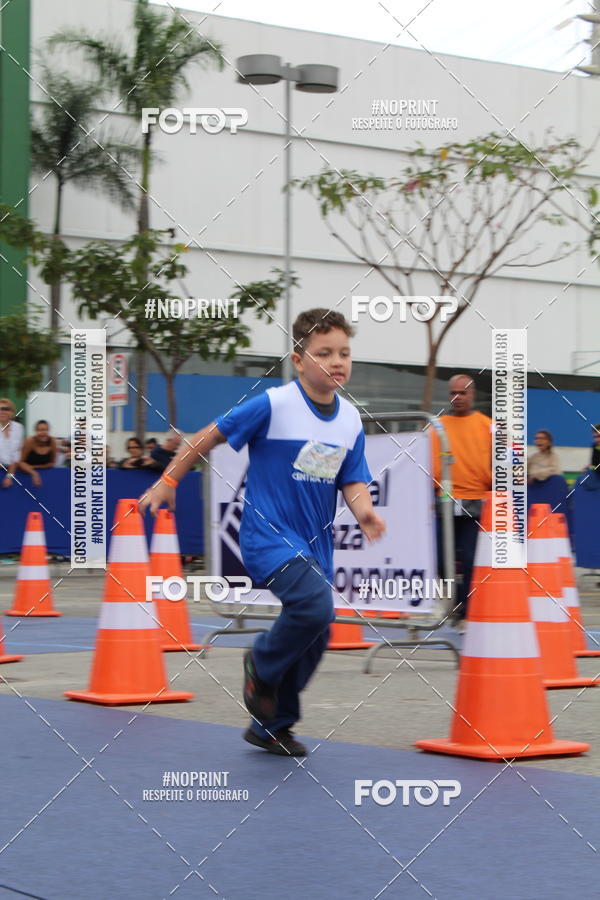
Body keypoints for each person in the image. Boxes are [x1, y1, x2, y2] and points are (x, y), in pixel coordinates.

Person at [139, 308, 386, 757]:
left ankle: (272, 725)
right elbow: (206, 437)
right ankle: (261, 662)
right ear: (297, 359)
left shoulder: (350, 419)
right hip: (267, 537)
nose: (337, 362)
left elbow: (351, 478)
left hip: (314, 545)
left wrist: (365, 513)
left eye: (344, 353)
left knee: (320, 628)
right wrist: (168, 480)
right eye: (324, 352)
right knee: (314, 608)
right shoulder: (274, 404)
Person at [430, 374, 492, 631]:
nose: (457, 397)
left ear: (473, 394)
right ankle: (451, 602)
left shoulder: (488, 426)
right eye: (453, 393)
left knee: (468, 559)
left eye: (463, 393)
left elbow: (506, 462)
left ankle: (465, 610)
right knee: (439, 558)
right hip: (444, 501)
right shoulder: (437, 426)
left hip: (476, 501)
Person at [18, 420, 57, 487]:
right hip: (24, 476)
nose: (43, 432)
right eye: (40, 430)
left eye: (46, 430)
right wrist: (34, 473)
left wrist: (34, 467)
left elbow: (52, 463)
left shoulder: (52, 441)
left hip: (45, 477)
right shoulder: (29, 441)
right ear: (35, 431)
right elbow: (20, 462)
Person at [0, 399, 25, 489]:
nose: (2, 411)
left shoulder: (18, 428)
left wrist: (9, 476)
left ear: (12, 412)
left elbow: (16, 455)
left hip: (13, 470)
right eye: (0, 409)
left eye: (5, 409)